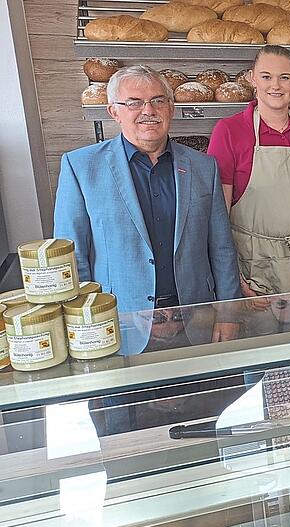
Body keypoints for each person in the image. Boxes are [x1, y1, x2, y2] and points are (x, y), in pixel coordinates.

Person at [54, 65, 241, 340]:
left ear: (171, 107)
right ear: (113, 111)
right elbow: (72, 258)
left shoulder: (204, 167)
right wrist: (85, 327)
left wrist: (228, 314)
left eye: (158, 100)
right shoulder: (81, 167)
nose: (148, 111)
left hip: (196, 323)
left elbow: (222, 248)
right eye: (134, 102)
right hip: (119, 327)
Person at [207, 45, 290, 296]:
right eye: (266, 76)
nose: (275, 85)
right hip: (253, 269)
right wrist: (235, 278)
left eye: (284, 77)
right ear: (252, 79)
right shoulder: (230, 131)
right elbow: (218, 214)